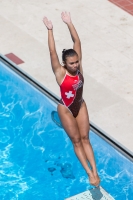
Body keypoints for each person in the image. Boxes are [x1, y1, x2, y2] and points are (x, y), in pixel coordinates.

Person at [43, 11, 100, 186]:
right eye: (72, 63)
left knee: (85, 139)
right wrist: (50, 30)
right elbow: (52, 51)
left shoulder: (78, 66)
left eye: (76, 62)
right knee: (76, 141)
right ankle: (89, 173)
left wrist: (69, 23)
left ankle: (96, 172)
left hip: (80, 105)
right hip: (66, 109)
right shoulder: (60, 72)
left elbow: (77, 42)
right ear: (64, 64)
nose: (76, 65)